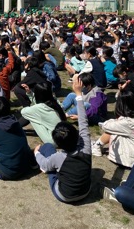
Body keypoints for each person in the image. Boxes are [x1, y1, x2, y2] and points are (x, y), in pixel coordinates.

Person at [34, 75, 92, 203]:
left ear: (59, 144)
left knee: (47, 153)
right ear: (76, 135)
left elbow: (44, 164)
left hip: (64, 195)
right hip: (86, 191)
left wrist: (36, 153)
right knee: (52, 156)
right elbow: (83, 121)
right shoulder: (86, 147)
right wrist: (78, 94)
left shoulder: (59, 157)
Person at [91, 90, 134, 168]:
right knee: (117, 128)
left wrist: (116, 120)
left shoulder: (128, 122)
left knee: (112, 129)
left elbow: (106, 126)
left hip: (130, 161)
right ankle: (97, 145)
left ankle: (97, 147)